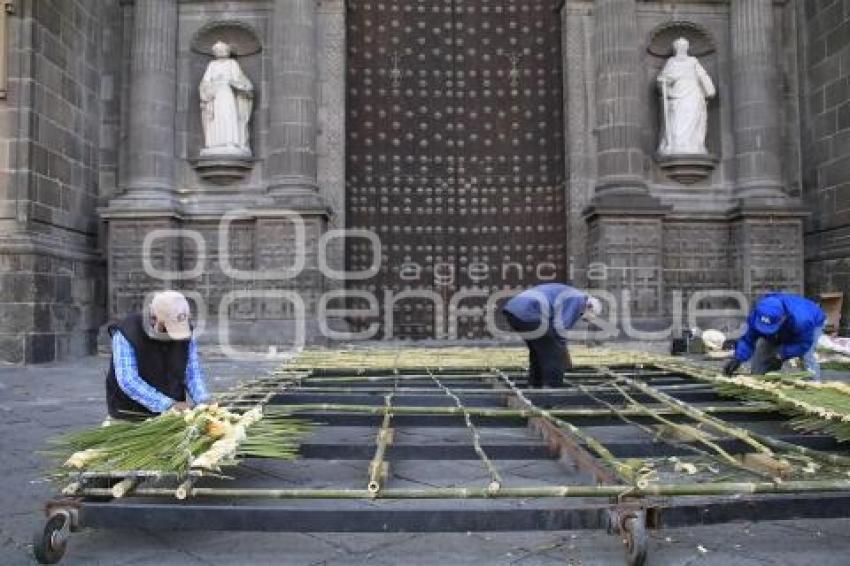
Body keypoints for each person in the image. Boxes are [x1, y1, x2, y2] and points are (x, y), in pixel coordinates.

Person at [106, 291, 211, 420]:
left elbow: (192, 372)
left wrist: (203, 400)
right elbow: (128, 380)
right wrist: (168, 404)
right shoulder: (127, 332)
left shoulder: (185, 329)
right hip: (131, 412)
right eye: (167, 328)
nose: (172, 335)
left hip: (173, 411)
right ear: (153, 318)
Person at [502, 284, 602, 388]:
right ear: (589, 307)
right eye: (583, 316)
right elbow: (560, 328)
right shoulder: (578, 300)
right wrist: (564, 353)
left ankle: (535, 384)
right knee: (554, 352)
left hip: (514, 311)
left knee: (538, 350)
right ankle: (553, 386)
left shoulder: (573, 295)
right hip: (528, 312)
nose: (580, 317)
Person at [724, 293, 827, 381]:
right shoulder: (757, 315)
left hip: (813, 322)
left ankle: (813, 383)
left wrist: (781, 356)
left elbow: (803, 344)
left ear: (783, 318)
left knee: (806, 356)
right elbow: (748, 340)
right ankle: (759, 382)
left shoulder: (803, 320)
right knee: (761, 353)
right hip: (783, 327)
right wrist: (738, 358)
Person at [657, 37, 716, 155]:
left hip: (693, 94)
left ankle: (693, 145)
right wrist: (662, 81)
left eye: (684, 46)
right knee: (677, 123)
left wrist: (709, 89)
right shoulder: (671, 62)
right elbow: (664, 78)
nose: (682, 48)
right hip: (677, 95)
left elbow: (702, 76)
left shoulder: (693, 61)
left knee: (692, 119)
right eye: (680, 46)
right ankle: (677, 145)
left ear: (687, 48)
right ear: (676, 48)